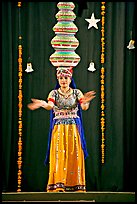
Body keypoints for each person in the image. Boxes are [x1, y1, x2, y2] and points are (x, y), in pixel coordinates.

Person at [27, 67, 96, 192]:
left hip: (73, 128)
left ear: (70, 79)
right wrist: (42, 104)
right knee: (59, 155)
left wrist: (86, 101)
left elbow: (84, 107)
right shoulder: (53, 93)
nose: (63, 80)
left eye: (66, 78)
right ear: (57, 78)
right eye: (61, 78)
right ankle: (59, 185)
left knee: (74, 154)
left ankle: (76, 185)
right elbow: (50, 106)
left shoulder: (76, 93)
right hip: (59, 128)